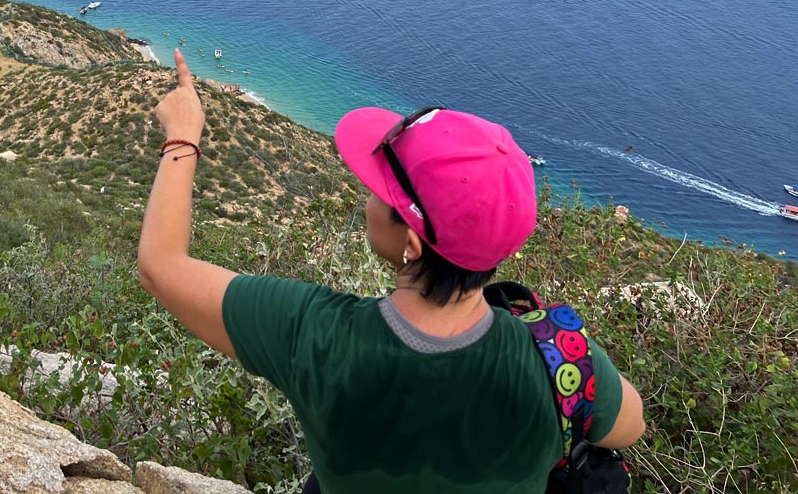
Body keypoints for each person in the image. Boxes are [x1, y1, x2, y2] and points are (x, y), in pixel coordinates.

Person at [138, 50, 645, 494]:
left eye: (383, 191)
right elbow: (629, 426)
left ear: (411, 242)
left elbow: (161, 267)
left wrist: (183, 136)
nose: (368, 196)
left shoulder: (313, 332)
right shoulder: (562, 360)